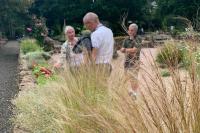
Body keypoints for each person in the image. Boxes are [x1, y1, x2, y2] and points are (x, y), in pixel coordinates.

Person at [120, 23, 142, 99]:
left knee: (134, 78)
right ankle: (131, 91)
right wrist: (126, 50)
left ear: (135, 31)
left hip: (134, 62)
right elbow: (121, 49)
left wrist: (125, 50)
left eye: (132, 30)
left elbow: (135, 50)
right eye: (129, 30)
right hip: (126, 62)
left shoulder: (138, 39)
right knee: (127, 77)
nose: (129, 31)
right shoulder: (126, 39)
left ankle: (135, 94)